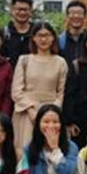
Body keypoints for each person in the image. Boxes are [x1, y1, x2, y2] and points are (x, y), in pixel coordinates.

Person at [11, 21, 68, 154]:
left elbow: (61, 93)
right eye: (40, 35)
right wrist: (31, 110)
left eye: (47, 35)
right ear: (34, 38)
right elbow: (16, 91)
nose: (43, 39)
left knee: (51, 151)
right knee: (25, 153)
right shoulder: (24, 60)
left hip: (51, 115)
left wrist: (51, 113)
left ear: (53, 38)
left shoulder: (60, 62)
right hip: (27, 114)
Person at [1, 0, 35, 67]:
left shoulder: (37, 33)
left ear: (30, 11)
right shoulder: (3, 33)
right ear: (12, 10)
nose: (22, 13)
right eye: (19, 9)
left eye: (25, 9)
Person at [58, 0, 87, 66]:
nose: (76, 16)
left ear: (85, 17)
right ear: (67, 16)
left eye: (79, 13)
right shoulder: (60, 41)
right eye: (72, 13)